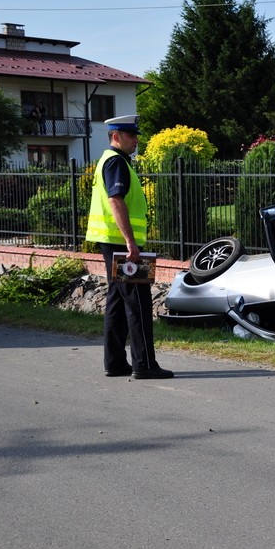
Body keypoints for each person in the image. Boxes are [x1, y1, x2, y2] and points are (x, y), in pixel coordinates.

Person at [85, 115, 174, 380]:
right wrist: (130, 242)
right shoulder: (116, 162)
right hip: (122, 245)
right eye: (131, 135)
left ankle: (114, 362)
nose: (136, 140)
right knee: (138, 303)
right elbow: (115, 201)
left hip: (111, 242)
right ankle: (144, 364)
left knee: (116, 301)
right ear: (116, 137)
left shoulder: (111, 160)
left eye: (136, 135)